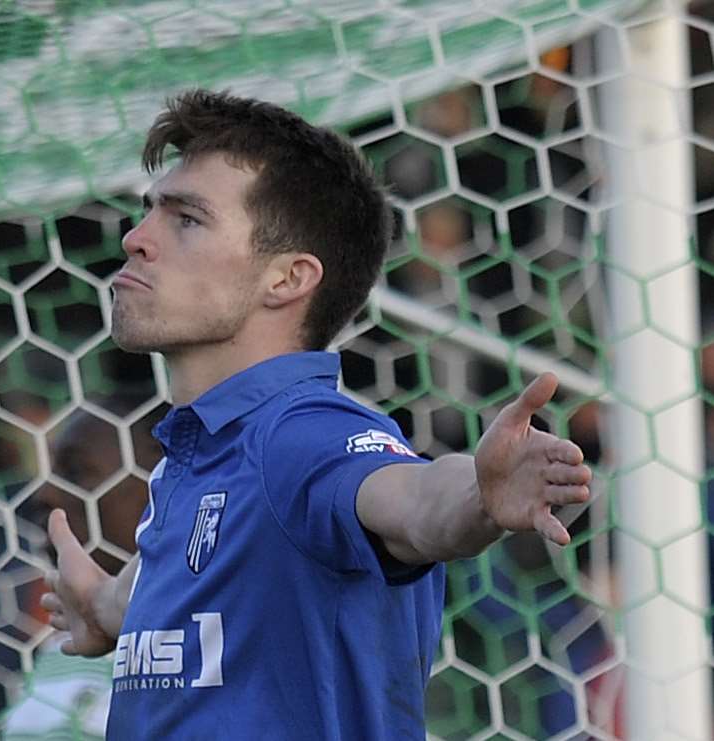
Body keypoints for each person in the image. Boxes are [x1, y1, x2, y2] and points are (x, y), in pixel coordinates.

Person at [38, 89, 592, 740]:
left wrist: (473, 493)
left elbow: (411, 499)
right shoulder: (202, 458)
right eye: (147, 212)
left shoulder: (303, 434)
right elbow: (220, 585)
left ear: (287, 278)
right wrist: (108, 607)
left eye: (185, 219)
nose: (136, 239)